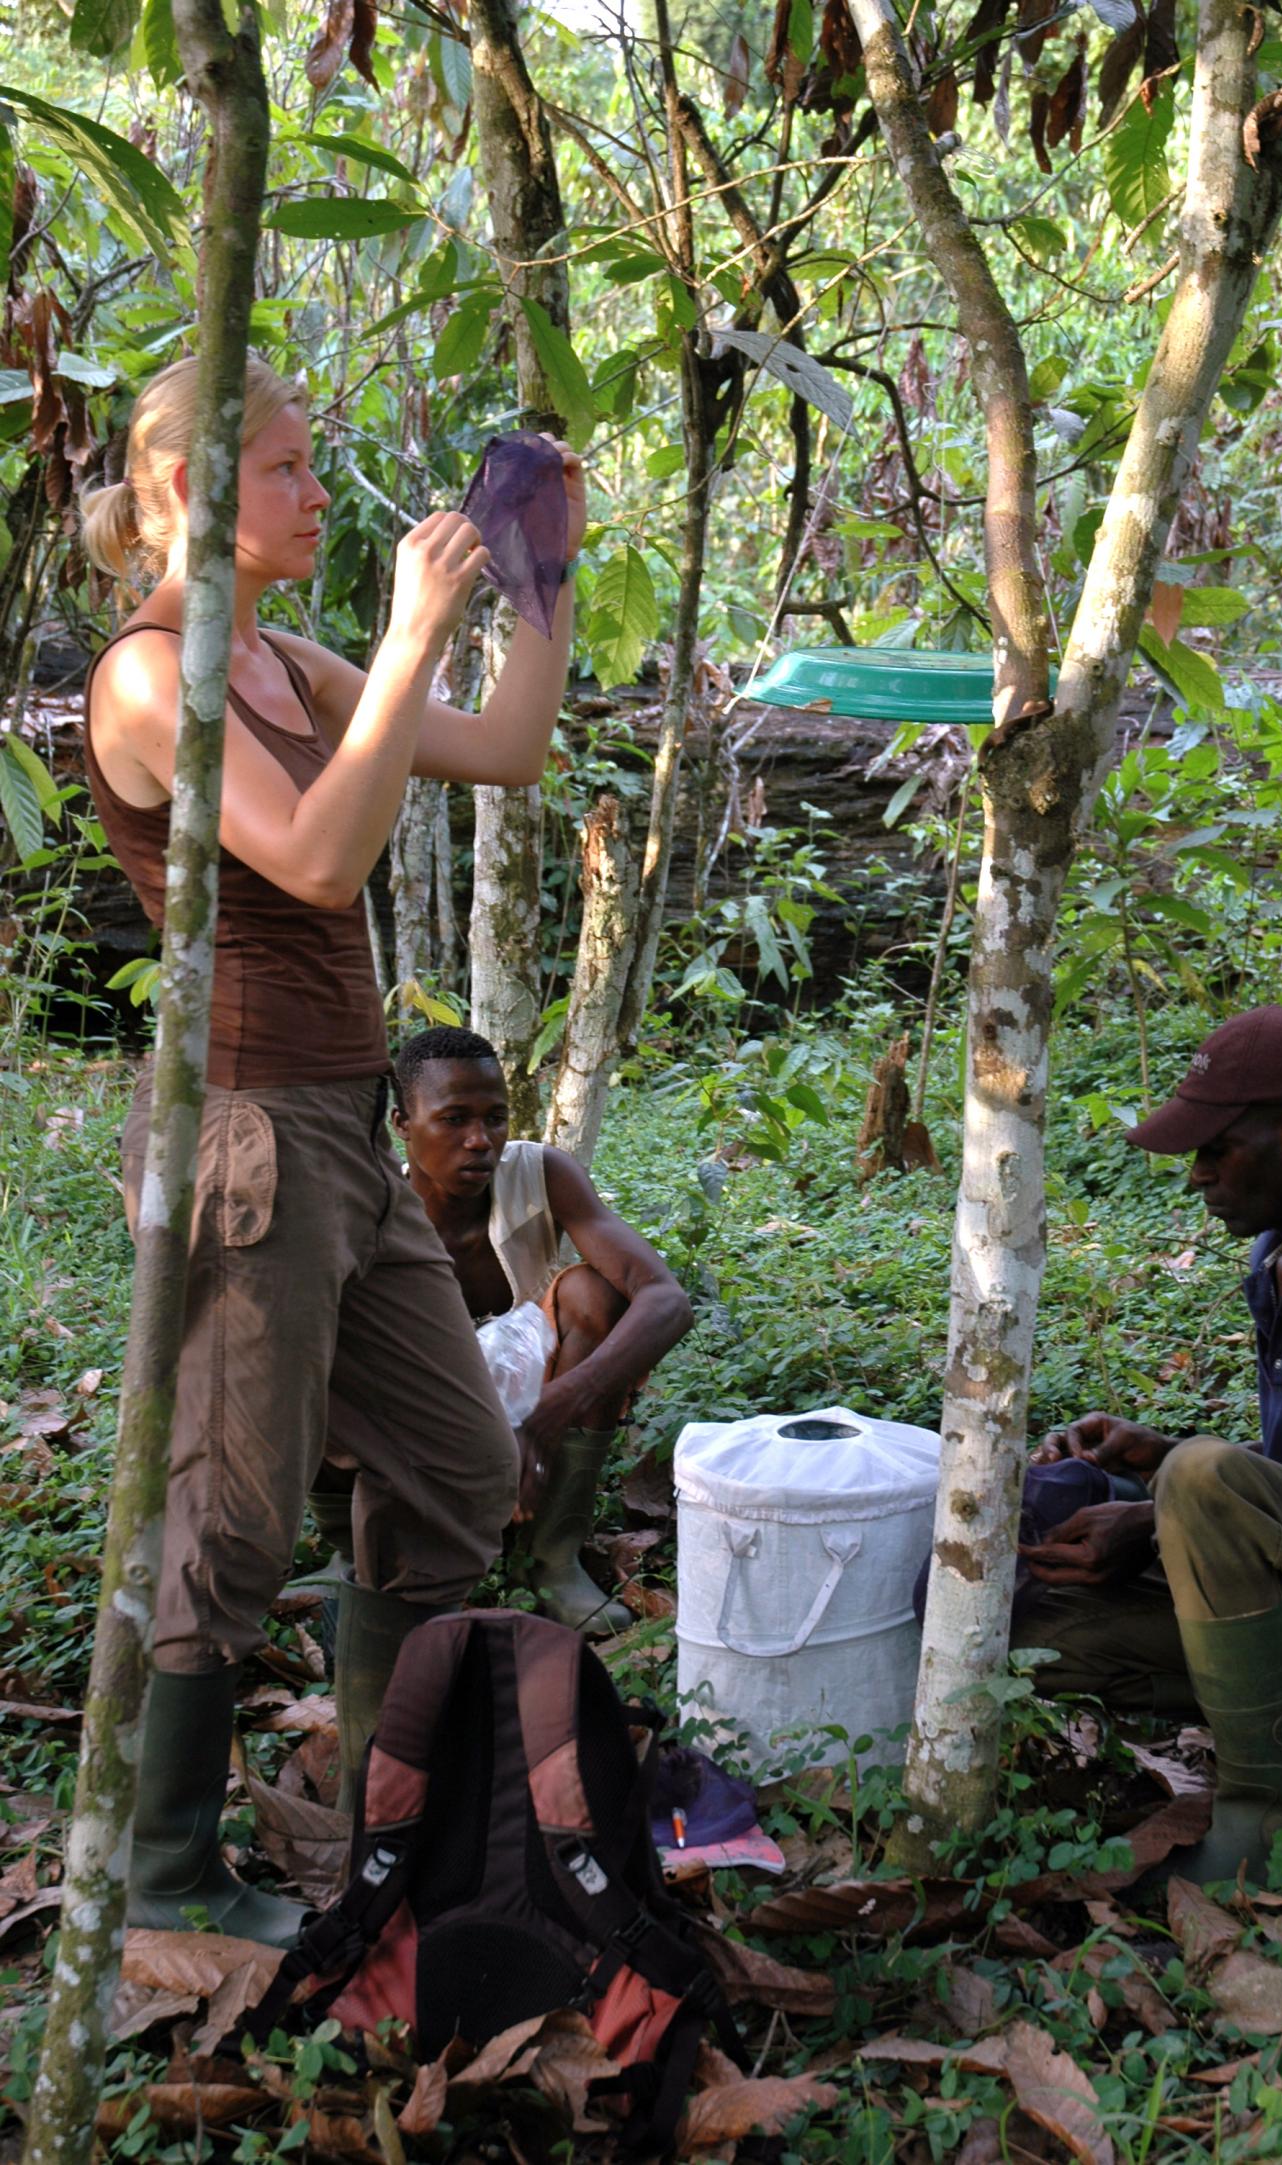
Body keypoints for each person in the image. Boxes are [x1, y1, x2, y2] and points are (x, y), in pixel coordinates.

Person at [82, 352, 587, 1944]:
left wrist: (541, 574)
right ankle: (168, 1870)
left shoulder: (290, 663)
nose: (316, 493)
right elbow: (310, 859)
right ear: (186, 493)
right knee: (229, 1515)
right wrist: (413, 629)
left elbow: (508, 748)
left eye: (310, 465)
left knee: (453, 1469)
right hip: (243, 1135)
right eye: (288, 470)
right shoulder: (151, 680)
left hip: (345, 1136)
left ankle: (387, 1818)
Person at [1014, 1005, 1282, 1886]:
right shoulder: (1272, 1261)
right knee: (1041, 1631)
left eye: (1217, 1149)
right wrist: (1154, 1456)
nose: (1199, 1174)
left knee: (1202, 1475)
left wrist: (1173, 1498)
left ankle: (1270, 1827)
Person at [385, 1024, 695, 1633]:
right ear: (402, 1123)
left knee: (594, 1293)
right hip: (423, 1403)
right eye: (453, 1120)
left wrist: (551, 1410)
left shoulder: (540, 1172)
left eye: (495, 1118)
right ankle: (378, 1551)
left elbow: (666, 1301)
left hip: (534, 1388)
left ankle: (553, 1555)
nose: (481, 1141)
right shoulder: (378, 1202)